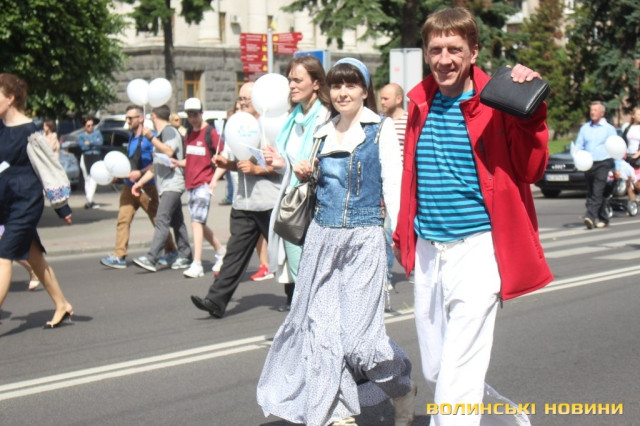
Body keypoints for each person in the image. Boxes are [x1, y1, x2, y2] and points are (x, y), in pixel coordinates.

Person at [392, 7, 552, 425]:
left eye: (454, 49)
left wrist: (531, 111)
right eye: (436, 49)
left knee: (457, 374)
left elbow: (532, 168)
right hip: (429, 250)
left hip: (478, 250)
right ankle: (500, 419)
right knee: (437, 371)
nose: (444, 59)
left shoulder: (498, 102)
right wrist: (403, 236)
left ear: (474, 51)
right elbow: (410, 177)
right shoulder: (419, 101)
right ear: (425, 52)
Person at [257, 58, 416, 426]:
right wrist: (301, 171)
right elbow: (314, 184)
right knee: (322, 334)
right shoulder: (321, 131)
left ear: (364, 90)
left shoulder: (380, 129)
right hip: (321, 240)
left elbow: (394, 184)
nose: (343, 92)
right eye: (337, 85)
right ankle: (337, 413)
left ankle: (401, 388)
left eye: (351, 85)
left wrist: (399, 236)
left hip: (364, 240)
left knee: (362, 341)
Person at [190, 82, 282, 317]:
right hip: (243, 203)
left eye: (246, 99)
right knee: (234, 254)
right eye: (240, 99)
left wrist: (257, 168)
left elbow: (282, 165)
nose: (241, 103)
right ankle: (215, 300)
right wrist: (226, 164)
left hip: (268, 202)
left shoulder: (270, 127)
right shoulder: (238, 126)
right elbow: (238, 163)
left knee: (283, 253)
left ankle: (298, 297)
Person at [0, 73, 74, 328]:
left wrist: (61, 206)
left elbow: (49, 169)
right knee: (34, 257)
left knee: (3, 256)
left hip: (25, 202)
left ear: (10, 98)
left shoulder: (30, 132)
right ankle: (62, 304)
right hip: (5, 203)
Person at [262, 55, 331, 312]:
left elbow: (332, 160)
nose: (291, 85)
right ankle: (306, 323)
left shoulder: (326, 117)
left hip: (319, 205)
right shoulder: (293, 119)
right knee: (299, 271)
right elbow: (291, 163)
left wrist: (313, 167)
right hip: (295, 203)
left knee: (318, 274)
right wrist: (280, 162)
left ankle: (318, 323)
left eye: (298, 80)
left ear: (316, 83)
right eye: (290, 80)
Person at [100, 105, 177, 269]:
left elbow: (157, 162)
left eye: (130, 118)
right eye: (127, 117)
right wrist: (118, 175)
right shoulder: (132, 137)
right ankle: (119, 255)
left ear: (140, 118)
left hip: (147, 187)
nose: (127, 121)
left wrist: (141, 173)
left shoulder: (150, 138)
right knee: (123, 220)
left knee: (157, 220)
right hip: (129, 187)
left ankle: (171, 250)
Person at [131, 105, 192, 273]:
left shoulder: (169, 131)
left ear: (153, 116)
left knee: (162, 219)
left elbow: (169, 151)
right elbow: (155, 166)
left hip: (173, 184)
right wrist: (139, 183)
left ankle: (152, 258)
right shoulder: (160, 135)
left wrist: (150, 137)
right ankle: (185, 255)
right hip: (166, 185)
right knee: (177, 222)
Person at [173, 97, 225, 278]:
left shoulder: (210, 133)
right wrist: (177, 162)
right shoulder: (188, 134)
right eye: (189, 115)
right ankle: (221, 251)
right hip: (190, 184)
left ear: (202, 113)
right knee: (199, 223)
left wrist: (215, 179)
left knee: (196, 222)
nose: (192, 118)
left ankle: (197, 264)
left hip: (204, 183)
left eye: (195, 114)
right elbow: (190, 159)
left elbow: (222, 158)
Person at [575, 101, 617, 229]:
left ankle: (590, 216)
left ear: (602, 113)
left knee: (597, 190)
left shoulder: (609, 129)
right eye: (591, 110)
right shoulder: (585, 128)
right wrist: (577, 155)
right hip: (588, 163)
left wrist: (618, 167)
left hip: (603, 162)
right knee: (592, 191)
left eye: (595, 110)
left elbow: (616, 147)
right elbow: (579, 145)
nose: (592, 112)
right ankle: (603, 217)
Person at [77, 116, 103, 209]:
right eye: (88, 126)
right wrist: (94, 143)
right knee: (87, 178)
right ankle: (89, 200)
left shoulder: (97, 133)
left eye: (92, 125)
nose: (90, 127)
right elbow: (83, 147)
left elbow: (100, 143)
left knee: (94, 178)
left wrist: (90, 143)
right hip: (86, 157)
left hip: (95, 156)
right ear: (84, 126)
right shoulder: (81, 136)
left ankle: (89, 199)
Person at [379, 82, 408, 161]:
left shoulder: (409, 121)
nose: (382, 102)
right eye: (381, 99)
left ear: (399, 99)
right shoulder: (378, 121)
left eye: (386, 99)